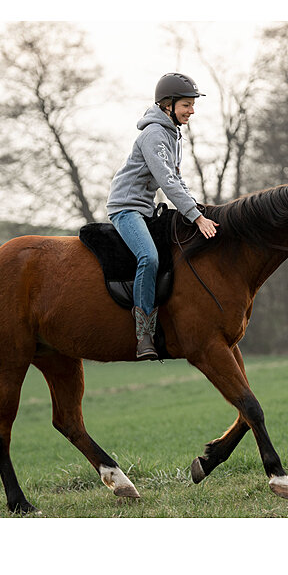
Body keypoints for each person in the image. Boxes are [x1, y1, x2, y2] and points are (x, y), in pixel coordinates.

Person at [106, 72, 219, 360]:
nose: (191, 111)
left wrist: (197, 206)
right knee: (150, 257)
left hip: (145, 208)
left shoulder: (173, 134)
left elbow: (177, 179)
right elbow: (167, 182)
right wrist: (196, 217)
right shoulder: (154, 134)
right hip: (126, 208)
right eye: (186, 105)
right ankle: (143, 332)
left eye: (193, 105)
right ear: (167, 104)